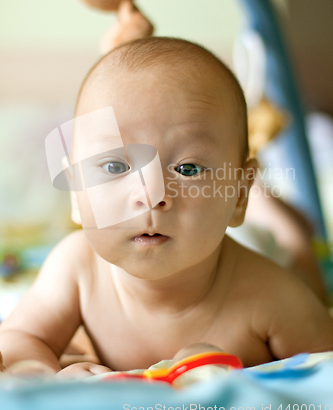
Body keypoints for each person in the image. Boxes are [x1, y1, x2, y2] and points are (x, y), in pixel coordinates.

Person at [1, 37, 333, 378]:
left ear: (237, 196)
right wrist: (44, 376)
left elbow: (325, 373)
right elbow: (19, 339)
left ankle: (277, 217)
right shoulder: (77, 268)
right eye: (116, 166)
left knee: (300, 259)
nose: (150, 194)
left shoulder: (273, 297)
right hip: (213, 224)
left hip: (251, 242)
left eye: (188, 168)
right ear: (75, 191)